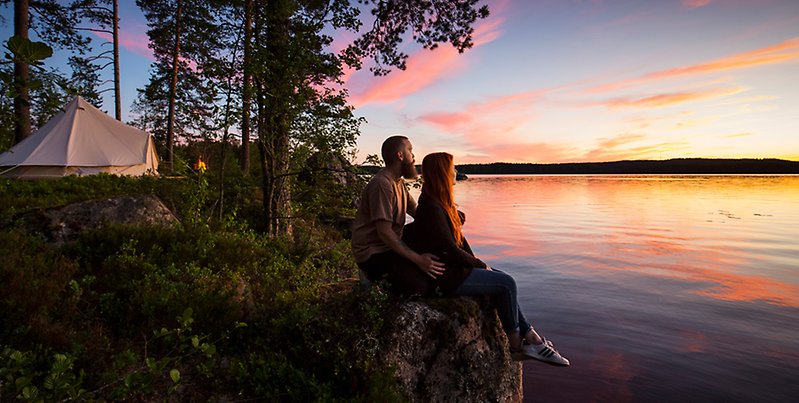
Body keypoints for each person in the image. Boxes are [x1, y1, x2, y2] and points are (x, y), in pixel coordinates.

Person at [407, 152, 570, 365]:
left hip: (453, 270)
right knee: (507, 283)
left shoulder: (438, 202)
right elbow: (448, 248)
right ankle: (517, 346)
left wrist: (479, 264)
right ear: (442, 173)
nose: (455, 172)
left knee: (501, 278)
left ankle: (531, 336)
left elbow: (459, 243)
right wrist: (479, 264)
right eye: (452, 168)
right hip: (446, 276)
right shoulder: (431, 205)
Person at [351, 136, 445, 296]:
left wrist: (447, 217)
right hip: (372, 253)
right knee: (420, 287)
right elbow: (384, 232)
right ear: (400, 155)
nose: (413, 156)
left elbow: (419, 213)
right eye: (410, 150)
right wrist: (418, 260)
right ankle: (370, 279)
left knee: (430, 232)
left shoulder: (398, 183)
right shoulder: (382, 184)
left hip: (388, 245)